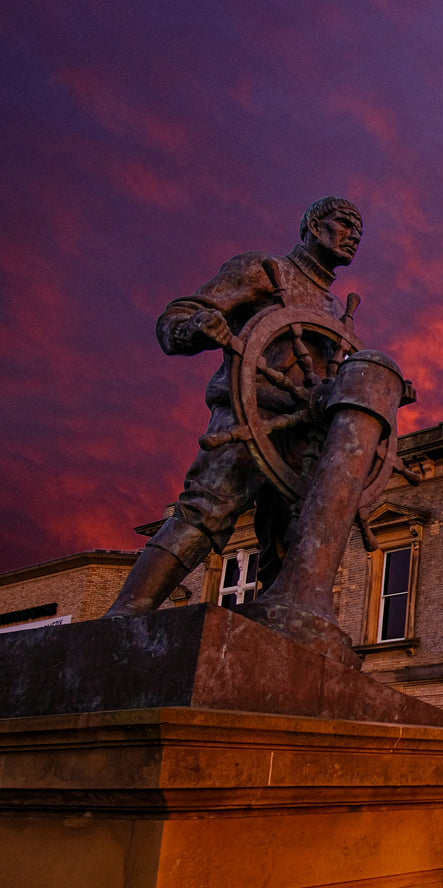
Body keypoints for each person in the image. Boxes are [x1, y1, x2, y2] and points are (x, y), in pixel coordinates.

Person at [106, 198, 364, 616]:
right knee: (206, 511)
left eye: (359, 232)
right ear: (314, 226)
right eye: (345, 223)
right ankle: (127, 612)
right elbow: (177, 318)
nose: (353, 236)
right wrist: (194, 327)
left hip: (303, 438)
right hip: (250, 415)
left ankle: (275, 632)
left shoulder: (335, 310)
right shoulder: (265, 270)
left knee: (293, 543)